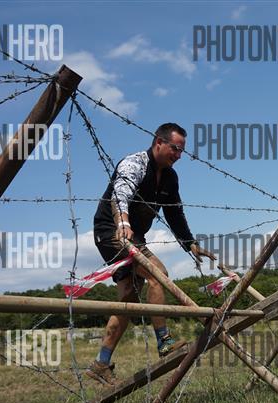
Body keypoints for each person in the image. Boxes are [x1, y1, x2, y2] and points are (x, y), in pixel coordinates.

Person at [86, 123, 215, 386]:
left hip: (135, 237)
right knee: (158, 273)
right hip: (112, 231)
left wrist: (189, 243)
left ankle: (101, 363)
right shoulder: (134, 163)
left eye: (182, 151)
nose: (178, 155)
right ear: (158, 142)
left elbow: (174, 212)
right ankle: (164, 341)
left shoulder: (170, 177)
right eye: (175, 148)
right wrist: (123, 222)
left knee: (128, 299)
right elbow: (120, 194)